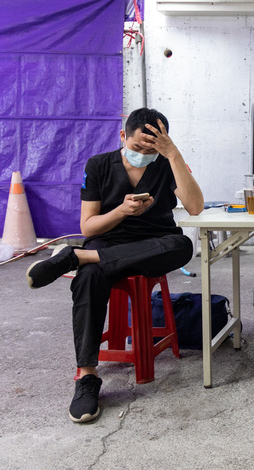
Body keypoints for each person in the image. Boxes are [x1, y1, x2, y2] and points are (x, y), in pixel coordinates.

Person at [25, 108, 204, 423]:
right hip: (107, 243)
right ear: (123, 136)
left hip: (154, 245)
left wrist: (172, 153)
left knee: (182, 244)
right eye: (137, 147)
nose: (144, 154)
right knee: (88, 279)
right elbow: (89, 228)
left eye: (152, 149)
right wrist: (122, 211)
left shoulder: (167, 164)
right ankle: (87, 377)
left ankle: (76, 256)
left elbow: (195, 206)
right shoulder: (98, 165)